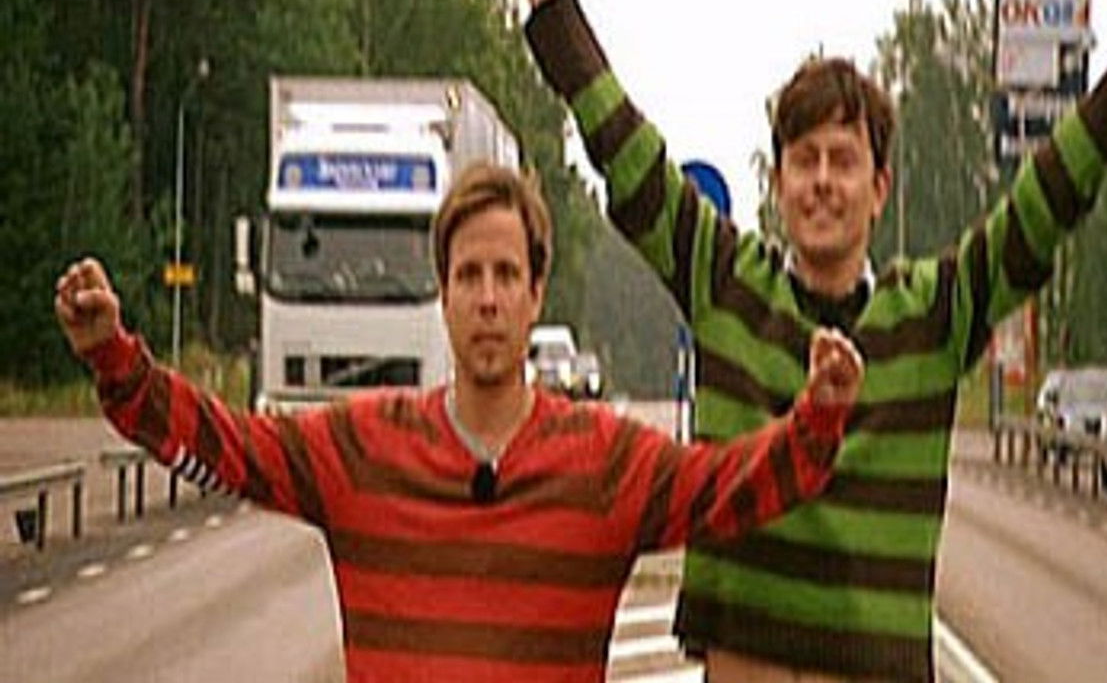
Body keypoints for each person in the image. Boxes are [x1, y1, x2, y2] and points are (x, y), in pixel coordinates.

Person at [515, 0, 1107, 680]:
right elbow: (612, 130)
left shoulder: (937, 314)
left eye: (844, 161)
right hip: (743, 662)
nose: (823, 180)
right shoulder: (723, 283)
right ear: (778, 184)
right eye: (804, 161)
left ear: (879, 189)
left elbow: (1068, 173)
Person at [54, 163, 865, 683]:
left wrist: (819, 417)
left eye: (506, 274)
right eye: (468, 274)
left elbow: (732, 487)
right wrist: (115, 360)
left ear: (536, 294)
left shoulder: (603, 463)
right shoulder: (361, 448)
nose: (487, 298)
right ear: (442, 293)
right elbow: (224, 446)